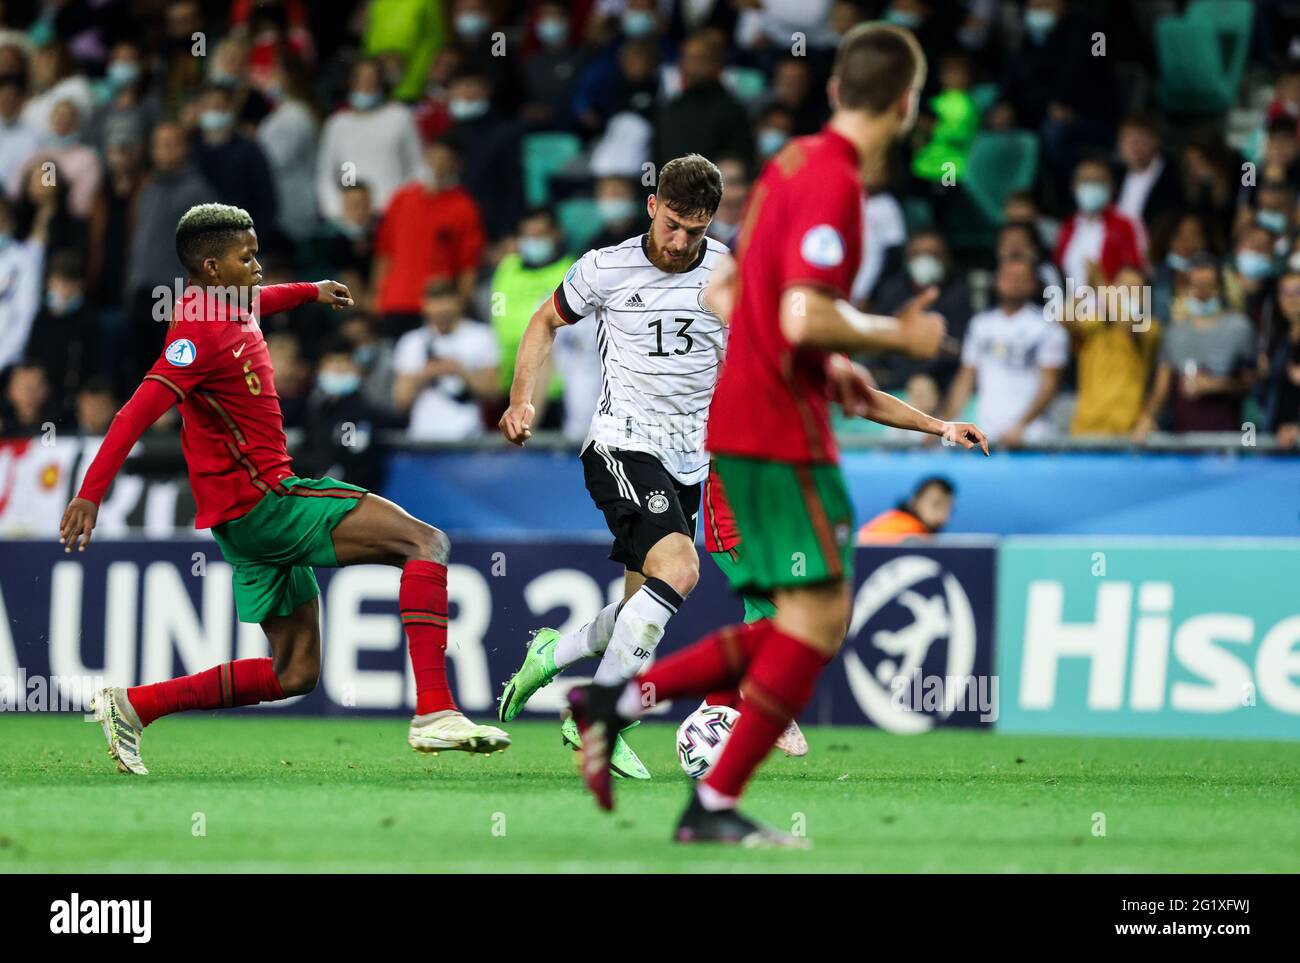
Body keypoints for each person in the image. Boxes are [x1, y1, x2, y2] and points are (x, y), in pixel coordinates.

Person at [565, 24, 986, 844]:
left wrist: (901, 406)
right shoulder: (835, 183)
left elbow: (754, 308)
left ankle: (661, 749)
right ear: (906, 105)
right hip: (771, 433)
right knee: (813, 617)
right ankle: (648, 732)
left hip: (753, 419)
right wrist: (900, 339)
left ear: (834, 92)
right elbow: (802, 312)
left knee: (813, 619)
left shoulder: (792, 164)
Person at [59, 203, 509, 776]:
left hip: (244, 513)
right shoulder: (197, 334)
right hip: (266, 502)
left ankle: (134, 706)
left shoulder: (229, 300)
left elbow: (265, 299)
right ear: (211, 267)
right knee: (426, 545)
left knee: (293, 673)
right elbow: (133, 416)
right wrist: (89, 494)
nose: (258, 266)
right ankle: (435, 712)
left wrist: (311, 291)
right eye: (246, 258)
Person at [495, 155, 732, 780]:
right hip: (622, 444)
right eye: (674, 224)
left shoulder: (725, 271)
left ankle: (554, 652)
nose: (682, 243)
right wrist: (523, 397)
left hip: (690, 458)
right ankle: (597, 717)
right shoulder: (604, 268)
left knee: (639, 617)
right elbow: (544, 320)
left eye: (697, 231)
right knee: (681, 570)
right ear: (653, 205)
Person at [942, 256, 1068, 446]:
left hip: (1031, 435)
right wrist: (945, 423)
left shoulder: (1048, 328)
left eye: (1020, 277)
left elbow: (1049, 385)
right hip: (985, 432)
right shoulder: (980, 325)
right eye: (1008, 276)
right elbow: (965, 379)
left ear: (1033, 284)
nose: (1013, 282)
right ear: (997, 280)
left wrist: (1021, 426)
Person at [1132, 257, 1254, 437]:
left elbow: (1252, 384)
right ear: (1186, 288)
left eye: (1207, 286)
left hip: (1228, 441)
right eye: (1196, 285)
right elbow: (1161, 390)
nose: (1201, 293)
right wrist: (1148, 417)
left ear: (1219, 288)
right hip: (1184, 442)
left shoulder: (1239, 328)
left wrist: (1217, 385)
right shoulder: (1174, 332)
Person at [391, 279, 499, 440]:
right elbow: (400, 402)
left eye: (445, 302)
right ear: (425, 305)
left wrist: (460, 372)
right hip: (422, 436)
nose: (441, 310)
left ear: (458, 303)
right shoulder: (411, 342)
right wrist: (426, 374)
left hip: (469, 434)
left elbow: (494, 393)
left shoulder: (482, 337)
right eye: (435, 303)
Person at [856, 476, 955, 543]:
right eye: (935, 505)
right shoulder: (904, 530)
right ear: (914, 502)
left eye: (948, 508)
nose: (943, 516)